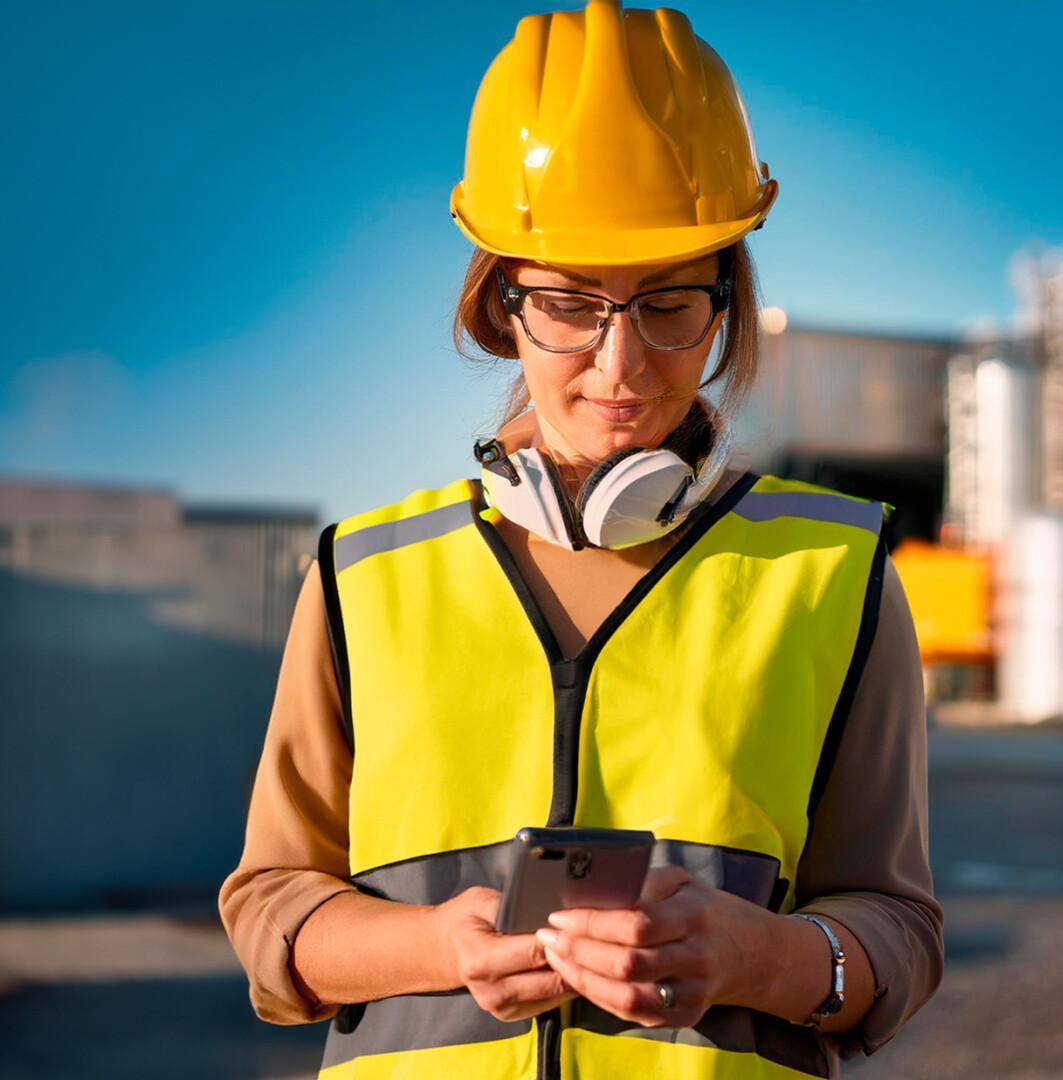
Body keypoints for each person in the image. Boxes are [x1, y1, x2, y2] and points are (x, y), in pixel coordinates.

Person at [218, 2, 943, 1077]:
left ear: (727, 303)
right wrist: (430, 945)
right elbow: (271, 912)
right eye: (569, 303)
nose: (620, 365)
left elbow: (896, 938)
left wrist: (758, 958)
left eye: (669, 304)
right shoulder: (360, 579)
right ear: (500, 305)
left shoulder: (835, 578)